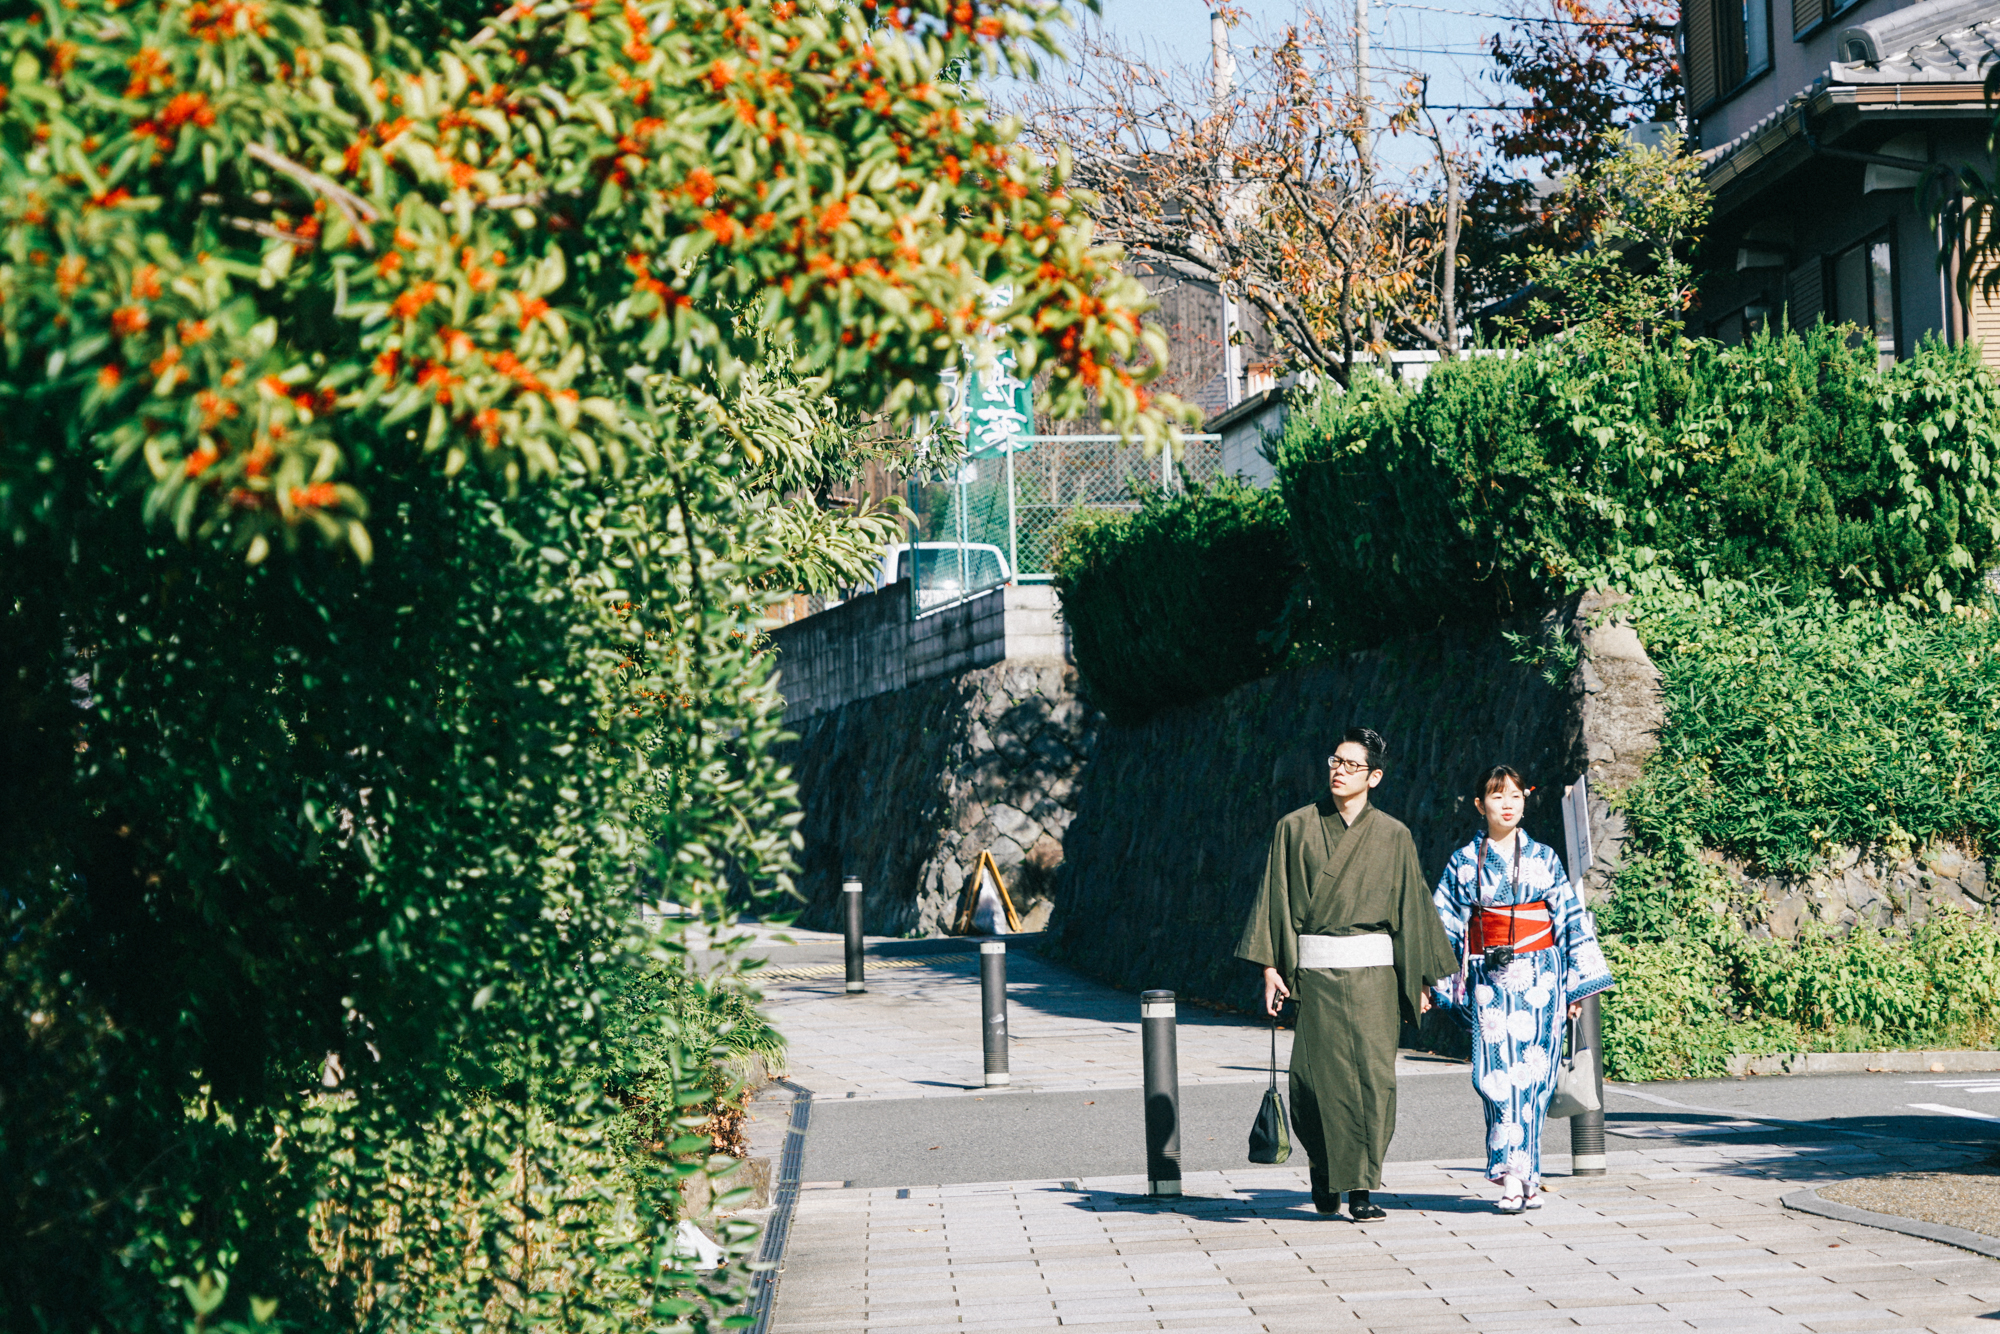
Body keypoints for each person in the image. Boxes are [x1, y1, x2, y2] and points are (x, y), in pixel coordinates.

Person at [1235, 727, 1459, 1221]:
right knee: (1312, 1081)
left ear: (1374, 777)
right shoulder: (1294, 827)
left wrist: (1420, 978)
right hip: (1315, 976)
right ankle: (1323, 1167)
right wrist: (1271, 968)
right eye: (1334, 760)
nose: (1338, 770)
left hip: (1375, 978)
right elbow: (1277, 898)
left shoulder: (1394, 836)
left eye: (1350, 765)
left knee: (1373, 1080)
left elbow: (1412, 910)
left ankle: (1361, 1188)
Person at [1429, 765, 1616, 1213]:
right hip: (1489, 985)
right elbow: (1442, 927)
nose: (1508, 804)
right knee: (1493, 1079)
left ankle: (1519, 1175)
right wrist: (1431, 981)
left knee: (1533, 1079)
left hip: (1542, 982)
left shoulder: (1545, 858)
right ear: (1480, 805)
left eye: (1515, 795)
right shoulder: (1462, 862)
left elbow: (1570, 923)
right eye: (1497, 797)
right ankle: (1517, 1173)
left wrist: (1576, 988)